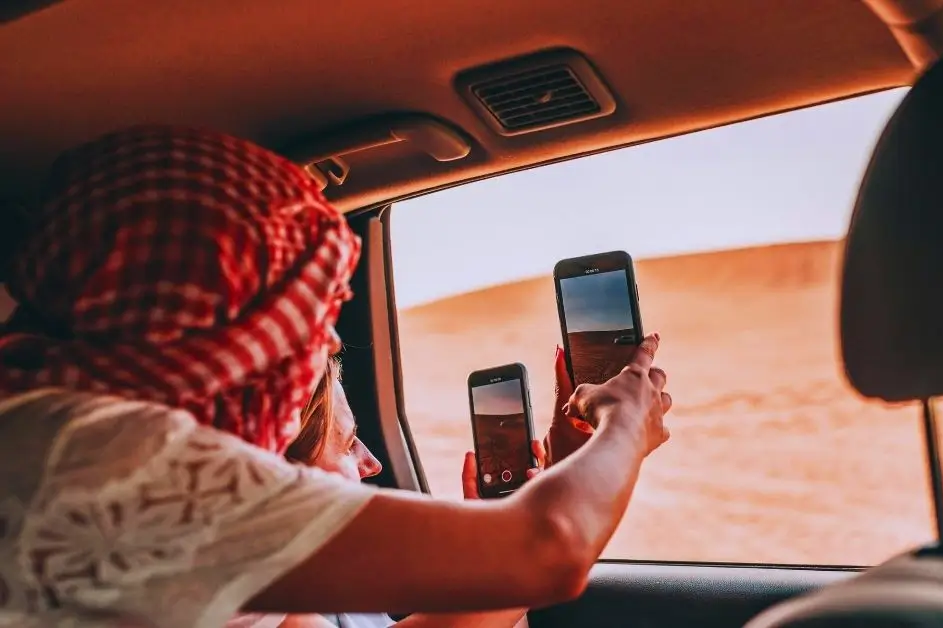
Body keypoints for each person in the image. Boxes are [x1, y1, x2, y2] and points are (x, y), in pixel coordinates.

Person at [0, 125, 672, 626]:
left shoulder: (86, 448)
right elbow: (550, 547)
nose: (314, 344)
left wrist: (569, 465)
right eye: (301, 315)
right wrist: (625, 424)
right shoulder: (84, 457)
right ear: (225, 315)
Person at [233, 356, 552, 628]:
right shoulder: (240, 596)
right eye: (346, 444)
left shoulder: (341, 580)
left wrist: (492, 540)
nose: (372, 463)